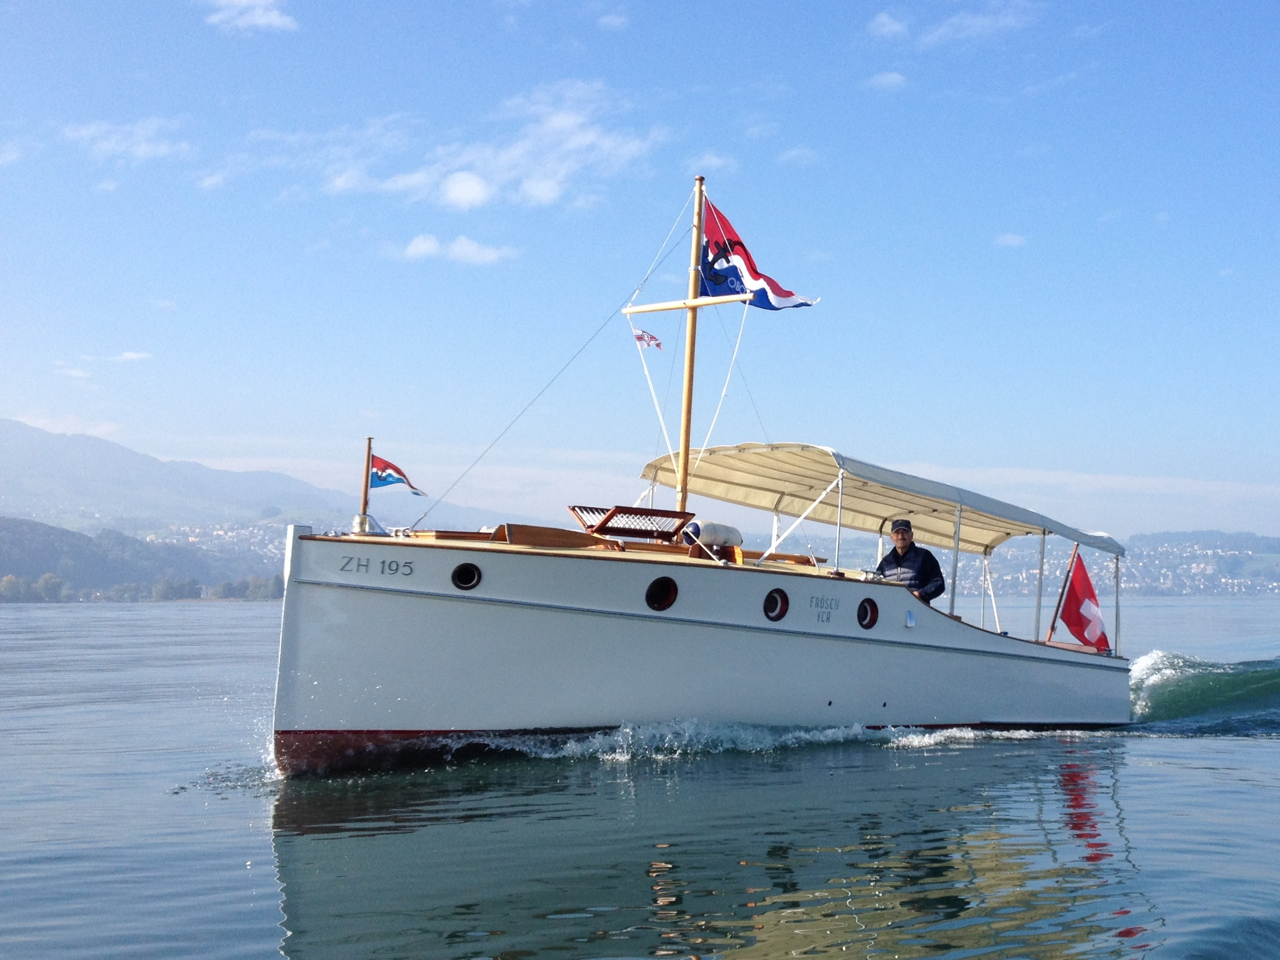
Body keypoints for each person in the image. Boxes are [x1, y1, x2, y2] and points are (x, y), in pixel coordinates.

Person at [876, 519, 945, 604]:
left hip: (917, 610)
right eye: (897, 533)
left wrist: (919, 594)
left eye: (904, 532)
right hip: (892, 610)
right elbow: (876, 585)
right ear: (891, 537)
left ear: (911, 536)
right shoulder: (885, 562)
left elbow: (939, 584)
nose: (901, 536)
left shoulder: (924, 556)